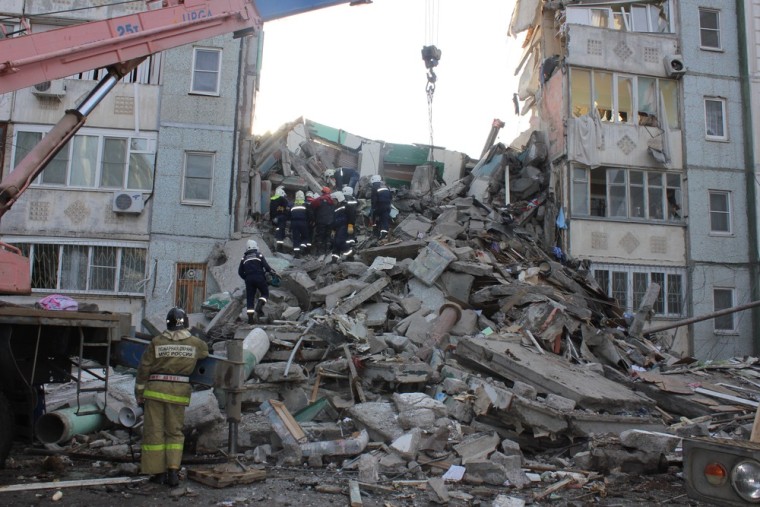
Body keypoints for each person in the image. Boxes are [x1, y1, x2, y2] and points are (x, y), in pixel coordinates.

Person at [135, 307, 209, 487]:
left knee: (154, 433)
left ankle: (158, 473)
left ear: (167, 323)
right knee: (174, 433)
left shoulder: (156, 342)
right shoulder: (195, 343)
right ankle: (174, 472)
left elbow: (144, 368)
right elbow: (205, 353)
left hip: (154, 392)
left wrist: (139, 392)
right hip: (178, 394)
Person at [238, 239, 275, 324]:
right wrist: (272, 272)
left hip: (249, 280)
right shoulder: (259, 255)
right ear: (255, 246)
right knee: (265, 293)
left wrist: (246, 278)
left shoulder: (244, 258)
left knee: (250, 298)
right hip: (259, 277)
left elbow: (240, 272)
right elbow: (266, 267)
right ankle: (260, 304)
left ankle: (250, 319)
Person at [310, 186, 335, 255]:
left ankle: (319, 252)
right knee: (328, 235)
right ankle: (327, 251)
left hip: (321, 221)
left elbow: (312, 205)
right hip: (331, 221)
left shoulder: (320, 199)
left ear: (323, 192)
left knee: (320, 236)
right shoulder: (333, 200)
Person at [370, 174, 392, 239]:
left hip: (379, 206)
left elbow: (374, 199)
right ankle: (384, 233)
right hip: (387, 206)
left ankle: (375, 232)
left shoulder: (374, 187)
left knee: (374, 217)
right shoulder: (386, 187)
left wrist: (373, 208)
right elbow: (390, 197)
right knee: (384, 219)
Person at [269, 186, 291, 252]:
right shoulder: (282, 199)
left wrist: (272, 219)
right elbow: (287, 209)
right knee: (281, 233)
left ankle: (275, 246)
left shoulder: (272, 200)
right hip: (281, 218)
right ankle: (279, 248)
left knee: (277, 231)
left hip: (274, 219)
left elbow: (271, 211)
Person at [290, 191, 310, 257]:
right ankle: (302, 247)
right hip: (303, 222)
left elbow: (289, 215)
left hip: (294, 223)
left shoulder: (292, 205)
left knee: (296, 238)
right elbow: (310, 214)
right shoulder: (306, 204)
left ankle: (296, 254)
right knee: (305, 237)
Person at [331, 191, 348, 263]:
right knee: (335, 243)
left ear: (339, 199)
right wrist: (333, 229)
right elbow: (334, 219)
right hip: (337, 227)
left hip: (343, 226)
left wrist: (350, 225)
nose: (333, 202)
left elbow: (350, 217)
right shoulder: (335, 208)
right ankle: (334, 259)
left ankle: (350, 255)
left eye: (334, 200)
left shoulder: (345, 206)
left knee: (339, 241)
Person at [343, 185, 358, 257]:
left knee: (346, 233)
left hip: (346, 219)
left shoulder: (344, 199)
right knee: (351, 231)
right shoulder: (353, 199)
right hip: (353, 219)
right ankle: (352, 243)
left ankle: (347, 248)